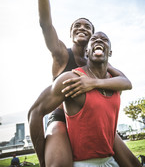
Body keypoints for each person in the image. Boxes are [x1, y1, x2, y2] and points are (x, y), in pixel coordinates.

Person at [31, 0, 141, 167]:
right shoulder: (62, 54)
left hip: (92, 120)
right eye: (76, 27)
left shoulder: (99, 65)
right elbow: (44, 23)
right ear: (70, 35)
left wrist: (91, 83)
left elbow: (125, 81)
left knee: (130, 162)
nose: (82, 28)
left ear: (94, 39)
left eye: (87, 27)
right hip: (62, 117)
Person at [29, 31, 127, 167]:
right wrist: (43, 161)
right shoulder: (71, 78)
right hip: (80, 157)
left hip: (108, 160)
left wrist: (93, 83)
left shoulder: (116, 83)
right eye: (94, 39)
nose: (99, 40)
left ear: (110, 52)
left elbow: (127, 82)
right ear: (87, 52)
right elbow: (35, 112)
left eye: (104, 39)